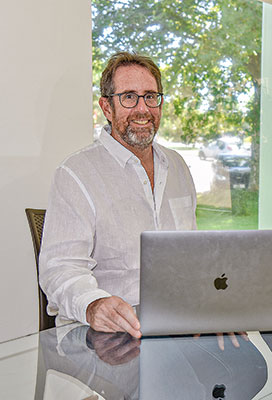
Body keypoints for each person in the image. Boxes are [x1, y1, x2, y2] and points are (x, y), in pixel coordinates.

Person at [39, 52, 197, 338]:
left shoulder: (177, 166)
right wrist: (93, 305)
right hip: (108, 336)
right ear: (106, 107)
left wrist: (210, 305)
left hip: (175, 325)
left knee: (249, 362)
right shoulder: (75, 173)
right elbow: (60, 268)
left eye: (150, 96)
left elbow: (192, 253)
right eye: (129, 97)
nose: (142, 108)